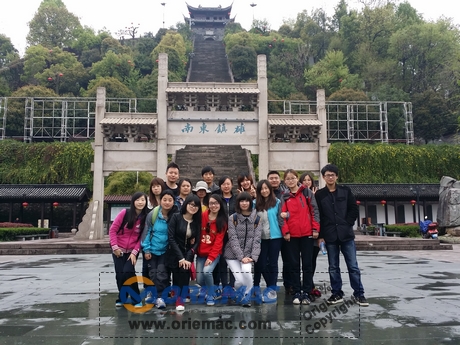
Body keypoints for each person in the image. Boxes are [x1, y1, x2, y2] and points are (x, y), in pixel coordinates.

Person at [315, 164, 369, 307]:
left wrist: (347, 223)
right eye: (327, 175)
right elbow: (318, 216)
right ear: (323, 177)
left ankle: (359, 294)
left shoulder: (346, 191)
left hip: (346, 235)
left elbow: (353, 209)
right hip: (330, 235)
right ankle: (336, 293)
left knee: (353, 266)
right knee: (333, 266)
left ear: (337, 176)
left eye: (333, 175)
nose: (330, 177)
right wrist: (320, 235)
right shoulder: (320, 195)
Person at [281, 169, 320, 305]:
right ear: (285, 181)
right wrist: (285, 231)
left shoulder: (307, 192)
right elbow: (282, 215)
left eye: (293, 178)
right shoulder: (284, 196)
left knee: (307, 265)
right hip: (292, 235)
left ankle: (307, 292)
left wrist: (315, 228)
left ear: (297, 179)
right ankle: (297, 291)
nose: (290, 181)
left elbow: (314, 210)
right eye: (288, 179)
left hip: (307, 234)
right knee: (294, 264)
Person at [110, 191, 149, 308]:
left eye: (143, 200)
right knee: (120, 274)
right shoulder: (124, 213)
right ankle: (122, 297)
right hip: (118, 249)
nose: (140, 202)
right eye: (138, 200)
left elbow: (142, 237)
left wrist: (135, 252)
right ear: (133, 201)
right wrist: (115, 247)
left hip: (132, 250)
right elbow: (112, 230)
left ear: (146, 202)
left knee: (128, 271)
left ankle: (136, 298)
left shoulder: (146, 217)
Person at [141, 190, 178, 309]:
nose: (167, 203)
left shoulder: (175, 215)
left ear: (174, 201)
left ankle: (161, 297)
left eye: (170, 200)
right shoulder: (153, 215)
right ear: (160, 201)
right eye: (165, 200)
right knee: (153, 274)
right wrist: (146, 250)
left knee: (162, 274)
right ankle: (155, 295)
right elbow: (146, 233)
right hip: (152, 250)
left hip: (166, 251)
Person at [224, 192, 262, 307]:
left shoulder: (257, 219)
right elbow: (233, 238)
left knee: (246, 272)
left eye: (247, 201)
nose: (244, 203)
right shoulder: (233, 218)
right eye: (242, 201)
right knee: (239, 281)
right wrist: (241, 257)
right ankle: (239, 292)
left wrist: (252, 257)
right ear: (238, 203)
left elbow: (257, 240)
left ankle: (247, 296)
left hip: (249, 254)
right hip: (232, 255)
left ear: (250, 203)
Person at [167, 194, 201, 311]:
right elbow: (171, 238)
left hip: (188, 253)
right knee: (177, 274)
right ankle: (178, 299)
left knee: (185, 273)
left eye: (196, 206)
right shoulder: (176, 217)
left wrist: (189, 256)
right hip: (175, 253)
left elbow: (197, 241)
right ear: (186, 204)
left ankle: (182, 294)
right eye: (191, 204)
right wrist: (181, 257)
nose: (193, 207)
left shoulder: (197, 222)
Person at [253, 180, 283, 302]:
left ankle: (271, 290)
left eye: (267, 188)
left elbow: (280, 219)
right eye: (262, 189)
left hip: (275, 237)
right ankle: (256, 287)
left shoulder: (277, 202)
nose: (264, 191)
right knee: (260, 263)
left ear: (270, 189)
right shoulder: (255, 203)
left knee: (273, 263)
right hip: (260, 238)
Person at [196, 194, 227, 306]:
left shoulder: (222, 221)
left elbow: (219, 243)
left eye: (216, 203)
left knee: (207, 271)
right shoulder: (202, 216)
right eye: (211, 203)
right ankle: (212, 288)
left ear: (220, 204)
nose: (214, 205)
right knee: (199, 280)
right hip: (201, 253)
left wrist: (211, 257)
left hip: (213, 254)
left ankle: (211, 293)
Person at [267, 170, 291, 294]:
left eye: (276, 178)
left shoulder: (286, 193)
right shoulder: (265, 193)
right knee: (272, 262)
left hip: (285, 231)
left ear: (279, 180)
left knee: (288, 260)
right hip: (272, 233)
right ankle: (272, 286)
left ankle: (289, 285)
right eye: (271, 178)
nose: (274, 180)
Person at [299, 172, 321, 298]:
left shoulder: (317, 195)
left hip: (315, 233)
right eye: (304, 180)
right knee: (305, 261)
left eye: (309, 180)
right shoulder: (299, 195)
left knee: (312, 260)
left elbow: (318, 213)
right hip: (303, 233)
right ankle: (308, 285)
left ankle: (309, 284)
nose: (307, 182)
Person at [214, 175, 237, 289]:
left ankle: (232, 285)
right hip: (220, 233)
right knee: (222, 260)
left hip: (234, 234)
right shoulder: (217, 199)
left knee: (233, 259)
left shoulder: (237, 199)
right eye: (223, 184)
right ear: (220, 186)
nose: (226, 186)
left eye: (228, 184)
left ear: (232, 184)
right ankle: (224, 285)